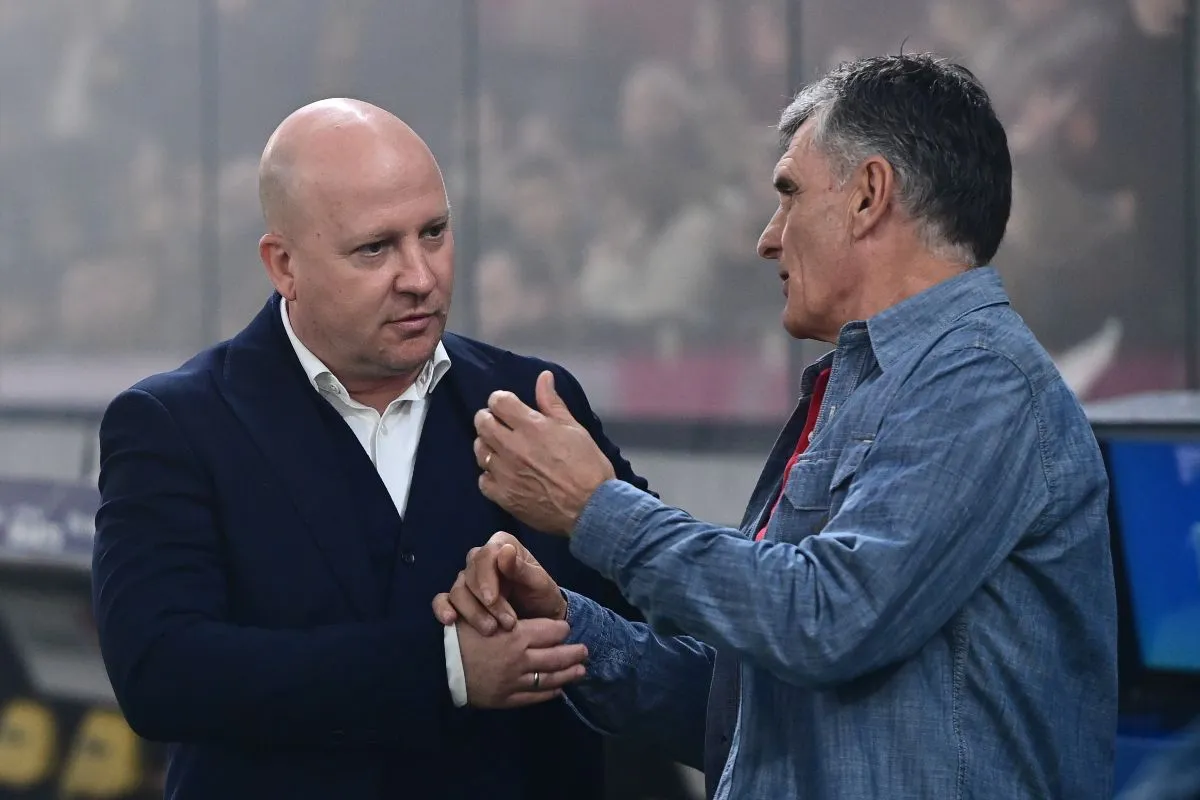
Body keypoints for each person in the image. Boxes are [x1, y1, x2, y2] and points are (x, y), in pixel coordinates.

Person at [435, 54, 1118, 799]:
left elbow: (828, 620)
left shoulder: (983, 381)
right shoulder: (864, 388)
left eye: (789, 194)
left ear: (869, 196)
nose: (767, 237)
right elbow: (744, 711)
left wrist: (595, 508)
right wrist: (570, 631)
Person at [91, 98, 653, 800]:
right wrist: (445, 668)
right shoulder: (175, 425)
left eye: (434, 233)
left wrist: (568, 600)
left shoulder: (533, 400)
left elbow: (663, 616)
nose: (420, 276)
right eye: (375, 248)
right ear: (283, 265)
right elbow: (161, 672)